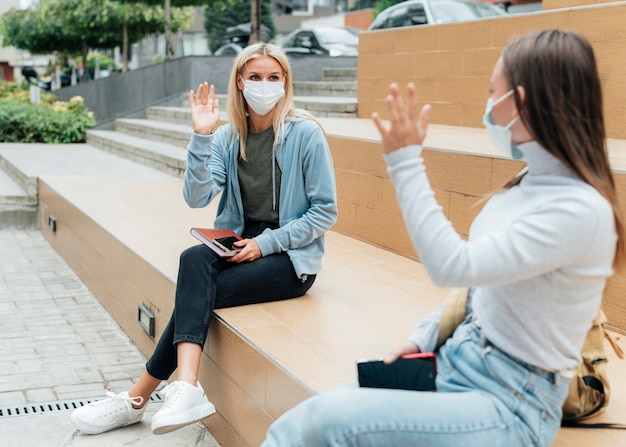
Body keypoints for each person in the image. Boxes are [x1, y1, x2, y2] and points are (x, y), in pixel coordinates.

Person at [261, 29, 626, 447]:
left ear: (521, 102)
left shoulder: (580, 211)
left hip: (512, 401)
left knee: (327, 423)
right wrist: (422, 338)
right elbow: (475, 286)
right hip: (460, 357)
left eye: (494, 93)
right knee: (291, 427)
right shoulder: (530, 179)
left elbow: (453, 265)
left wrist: (405, 163)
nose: (489, 107)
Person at [70, 42, 338, 436]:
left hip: (290, 259)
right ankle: (183, 388)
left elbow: (324, 212)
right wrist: (201, 136)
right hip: (238, 241)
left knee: (197, 293)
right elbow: (196, 197)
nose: (265, 85)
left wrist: (264, 245)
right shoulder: (229, 138)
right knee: (193, 260)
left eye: (274, 77)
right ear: (240, 82)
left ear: (285, 82)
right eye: (255, 77)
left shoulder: (306, 134)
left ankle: (139, 397)